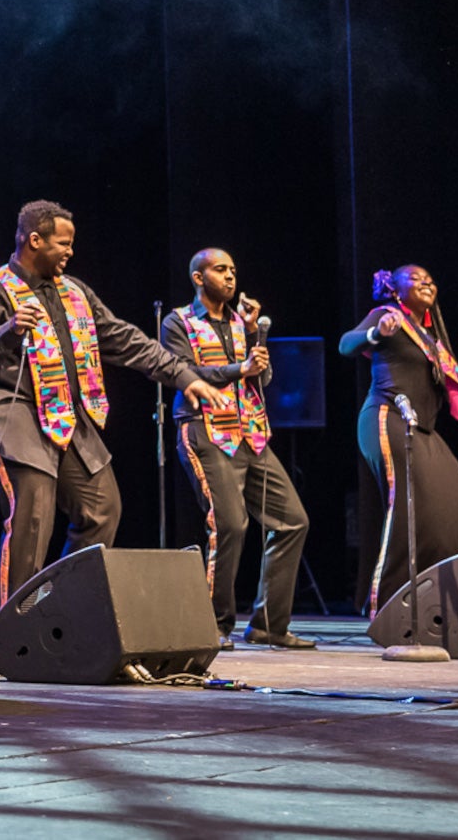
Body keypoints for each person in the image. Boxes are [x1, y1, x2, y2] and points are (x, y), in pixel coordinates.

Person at [0, 203, 205, 617]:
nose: (70, 251)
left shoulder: (74, 292)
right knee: (33, 516)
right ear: (34, 240)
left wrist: (183, 375)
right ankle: (13, 630)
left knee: (102, 508)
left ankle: (52, 606)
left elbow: (123, 339)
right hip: (14, 416)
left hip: (69, 417)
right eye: (63, 243)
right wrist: (8, 329)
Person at [159, 247, 312, 649]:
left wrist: (253, 341)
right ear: (198, 277)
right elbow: (183, 371)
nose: (230, 277)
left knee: (293, 520)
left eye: (233, 270)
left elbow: (261, 379)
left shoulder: (241, 323)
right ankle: (213, 624)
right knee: (229, 524)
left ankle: (268, 625)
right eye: (220, 270)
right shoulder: (179, 321)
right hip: (205, 430)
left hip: (250, 433)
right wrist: (238, 369)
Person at [340, 265, 458, 616]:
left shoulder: (429, 340)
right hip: (386, 417)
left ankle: (446, 605)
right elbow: (346, 344)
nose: (427, 280)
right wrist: (375, 334)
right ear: (394, 288)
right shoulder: (388, 315)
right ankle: (387, 607)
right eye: (416, 277)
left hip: (421, 430)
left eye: (430, 277)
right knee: (409, 510)